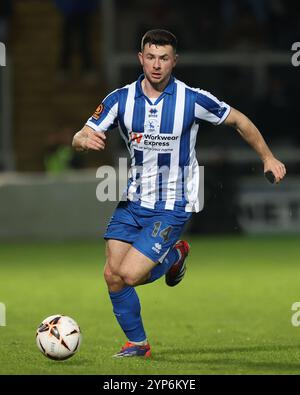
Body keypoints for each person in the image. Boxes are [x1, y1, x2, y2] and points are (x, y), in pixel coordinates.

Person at [72, 29, 286, 358]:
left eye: (164, 58)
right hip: (131, 203)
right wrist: (82, 139)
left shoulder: (193, 99)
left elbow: (239, 120)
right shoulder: (120, 99)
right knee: (112, 276)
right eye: (151, 57)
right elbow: (82, 133)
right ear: (141, 59)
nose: (157, 65)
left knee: (129, 275)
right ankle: (138, 344)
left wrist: (267, 157)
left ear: (174, 61)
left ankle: (172, 255)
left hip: (172, 205)